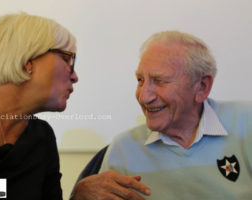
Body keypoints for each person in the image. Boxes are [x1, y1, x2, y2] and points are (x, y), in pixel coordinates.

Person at [0, 12, 151, 200]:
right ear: (27, 61)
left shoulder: (42, 138)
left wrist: (79, 195)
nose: (75, 76)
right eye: (67, 59)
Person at [98, 31, 252, 199]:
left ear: (202, 87)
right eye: (140, 80)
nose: (144, 97)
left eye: (160, 81)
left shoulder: (247, 123)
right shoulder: (123, 150)